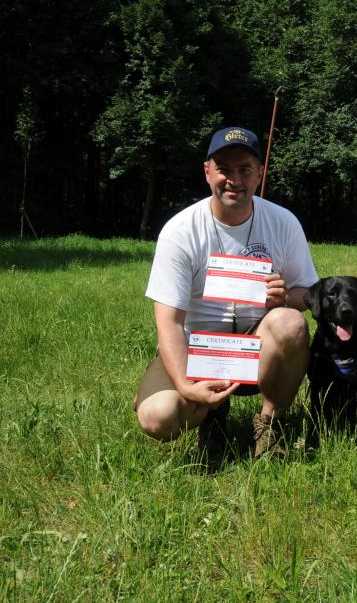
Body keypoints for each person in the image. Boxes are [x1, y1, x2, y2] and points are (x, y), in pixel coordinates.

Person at [134, 126, 318, 459]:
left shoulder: (283, 222)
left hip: (256, 344)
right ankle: (210, 416)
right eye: (224, 169)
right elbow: (170, 323)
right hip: (196, 348)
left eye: (244, 169)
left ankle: (268, 423)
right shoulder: (180, 231)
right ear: (207, 172)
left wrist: (283, 298)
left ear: (260, 173)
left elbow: (307, 293)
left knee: (290, 323)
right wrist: (186, 386)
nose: (234, 179)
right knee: (157, 416)